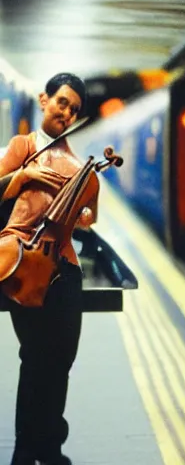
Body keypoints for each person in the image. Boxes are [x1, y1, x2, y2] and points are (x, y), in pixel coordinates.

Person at [0, 73, 99, 465]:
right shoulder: (22, 146)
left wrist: (85, 215)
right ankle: (27, 445)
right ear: (44, 100)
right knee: (36, 354)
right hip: (23, 259)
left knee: (62, 356)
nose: (67, 112)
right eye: (63, 102)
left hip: (64, 266)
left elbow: (87, 218)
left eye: (74, 109)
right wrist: (23, 176)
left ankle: (50, 444)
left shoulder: (76, 163)